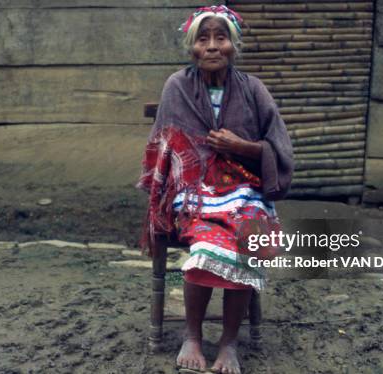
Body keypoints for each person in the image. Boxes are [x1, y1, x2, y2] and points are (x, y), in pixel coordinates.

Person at [137, 5, 294, 373]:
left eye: (220, 38)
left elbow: (280, 146)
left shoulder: (254, 89)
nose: (212, 46)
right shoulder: (177, 86)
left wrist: (243, 148)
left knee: (247, 240)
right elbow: (163, 149)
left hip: (245, 193)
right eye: (203, 38)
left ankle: (228, 344)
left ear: (234, 46)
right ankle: (192, 335)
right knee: (207, 242)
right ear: (192, 47)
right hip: (193, 195)